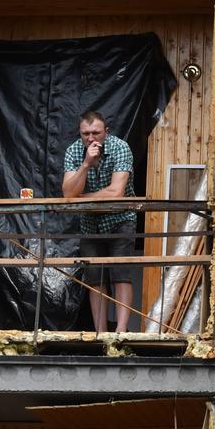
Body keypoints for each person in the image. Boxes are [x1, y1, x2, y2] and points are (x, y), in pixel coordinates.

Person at [60, 110, 136, 333]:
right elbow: (68, 192)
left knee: (121, 275)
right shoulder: (74, 151)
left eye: (96, 133)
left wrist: (81, 197)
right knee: (95, 279)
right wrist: (86, 164)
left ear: (106, 132)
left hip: (120, 218)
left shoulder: (120, 147)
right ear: (80, 133)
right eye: (86, 134)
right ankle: (100, 334)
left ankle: (121, 332)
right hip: (90, 223)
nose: (91, 138)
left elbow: (116, 192)